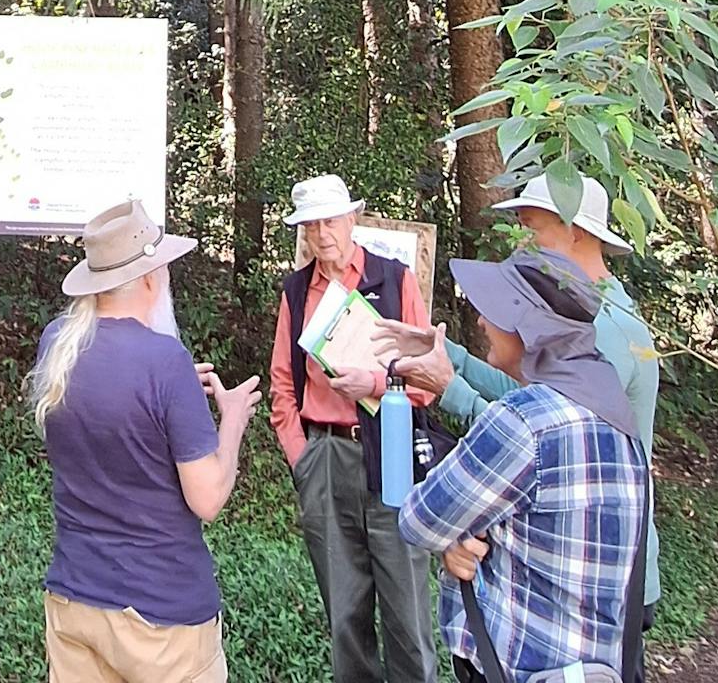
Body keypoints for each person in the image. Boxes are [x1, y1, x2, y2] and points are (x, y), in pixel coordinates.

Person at [371, 172, 662, 610]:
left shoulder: (608, 328)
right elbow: (525, 390)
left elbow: (543, 435)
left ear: (575, 231)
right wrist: (444, 351)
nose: (520, 243)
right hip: (564, 554)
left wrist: (451, 388)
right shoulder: (586, 314)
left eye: (531, 229)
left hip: (601, 568)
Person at [31, 198, 262, 683]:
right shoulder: (164, 361)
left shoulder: (57, 343)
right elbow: (208, 499)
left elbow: (111, 407)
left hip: (74, 599)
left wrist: (174, 399)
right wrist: (233, 418)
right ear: (153, 279)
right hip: (162, 616)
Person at [397, 250, 650, 683]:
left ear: (528, 327)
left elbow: (420, 520)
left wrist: (464, 536)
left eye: (493, 311)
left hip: (518, 667)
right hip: (596, 668)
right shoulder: (615, 413)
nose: (480, 322)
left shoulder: (523, 422)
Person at [267, 175, 439, 683]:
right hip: (326, 458)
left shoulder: (394, 279)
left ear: (352, 220)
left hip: (392, 452)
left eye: (331, 221)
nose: (323, 234)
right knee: (345, 618)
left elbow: (429, 377)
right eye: (311, 224)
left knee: (408, 616)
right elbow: (282, 384)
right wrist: (302, 457)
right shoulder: (296, 292)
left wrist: (379, 381)